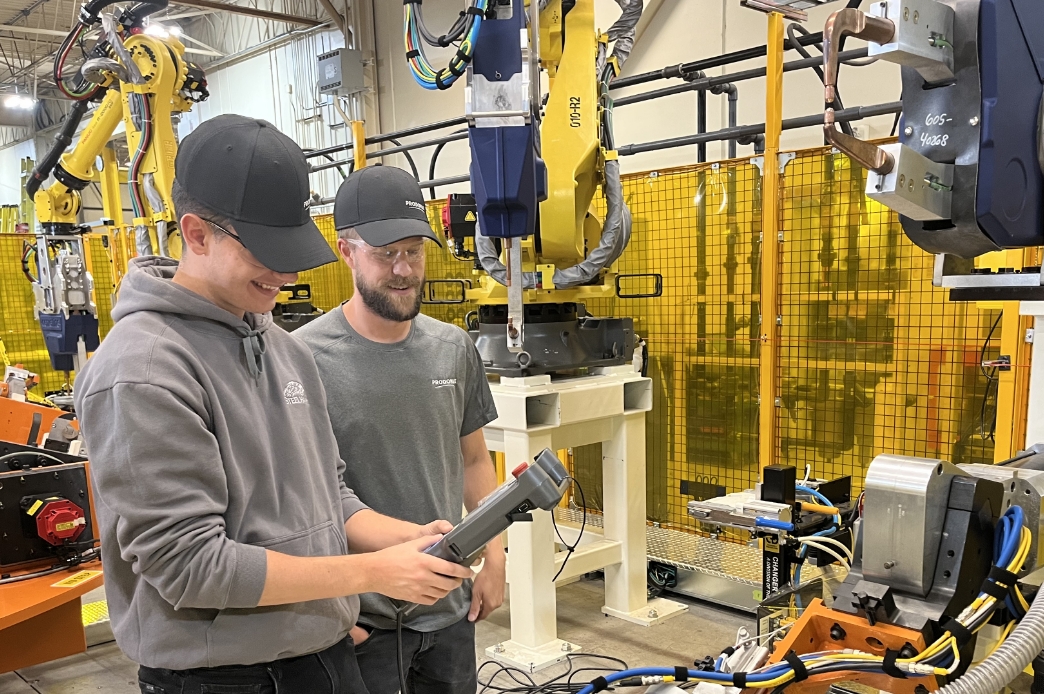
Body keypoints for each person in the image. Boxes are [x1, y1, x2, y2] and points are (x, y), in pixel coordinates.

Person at [74, 115, 472, 694]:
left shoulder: (284, 349)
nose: (285, 272)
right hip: (223, 678)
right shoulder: (144, 370)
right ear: (198, 233)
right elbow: (189, 566)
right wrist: (372, 573)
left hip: (322, 656)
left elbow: (325, 493)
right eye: (265, 250)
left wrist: (402, 539)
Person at [296, 165, 503, 694]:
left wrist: (496, 560)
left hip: (450, 607)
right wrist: (331, 612)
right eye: (385, 253)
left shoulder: (453, 348)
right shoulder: (302, 359)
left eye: (414, 250)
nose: (404, 269)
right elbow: (301, 501)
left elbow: (475, 462)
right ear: (345, 251)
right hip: (364, 622)